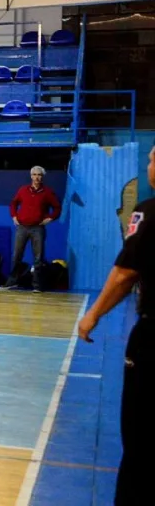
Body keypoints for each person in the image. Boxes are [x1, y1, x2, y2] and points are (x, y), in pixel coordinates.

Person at [77, 144, 155, 505]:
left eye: (153, 159)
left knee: (139, 438)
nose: (150, 165)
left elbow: (125, 274)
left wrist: (92, 315)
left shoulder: (149, 213)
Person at [4, 166, 61, 291]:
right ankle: (12, 282)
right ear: (31, 176)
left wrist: (50, 218)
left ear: (42, 177)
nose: (37, 177)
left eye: (39, 175)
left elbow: (57, 208)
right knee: (17, 255)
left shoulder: (47, 192)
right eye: (34, 174)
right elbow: (13, 203)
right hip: (22, 227)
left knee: (38, 257)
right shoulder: (23, 190)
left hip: (37, 229)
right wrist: (14, 216)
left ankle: (37, 285)